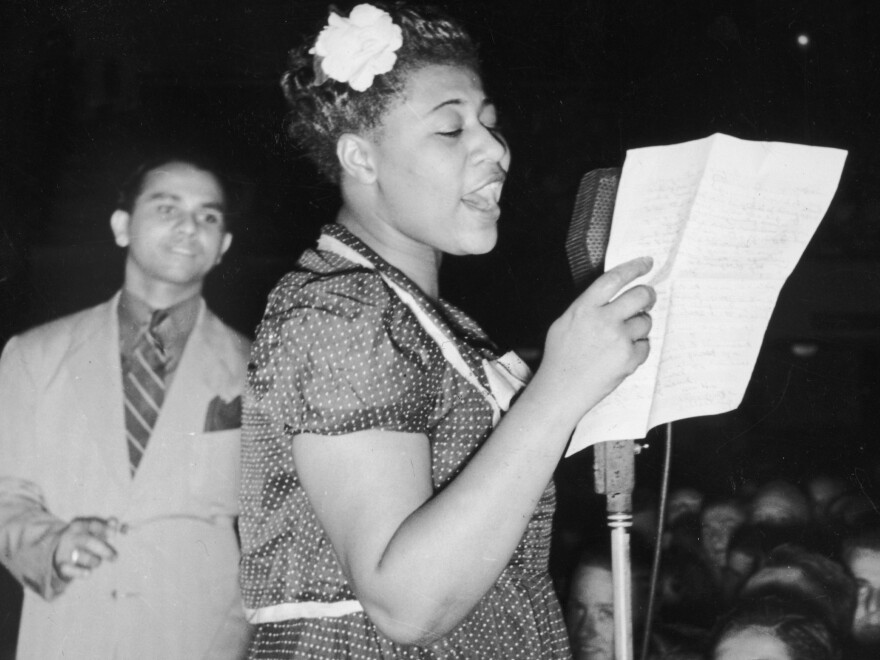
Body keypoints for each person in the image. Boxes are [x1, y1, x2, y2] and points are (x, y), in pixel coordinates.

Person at [239, 3, 655, 658]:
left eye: (488, 124)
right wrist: (558, 390)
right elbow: (404, 602)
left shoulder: (426, 318)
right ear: (361, 157)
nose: (494, 149)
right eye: (450, 130)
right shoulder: (338, 314)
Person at [0, 155, 252, 659]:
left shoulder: (258, 368)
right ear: (122, 227)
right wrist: (49, 546)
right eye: (166, 208)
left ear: (222, 246)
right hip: (69, 630)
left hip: (201, 638)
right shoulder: (33, 354)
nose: (188, 226)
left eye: (208, 216)